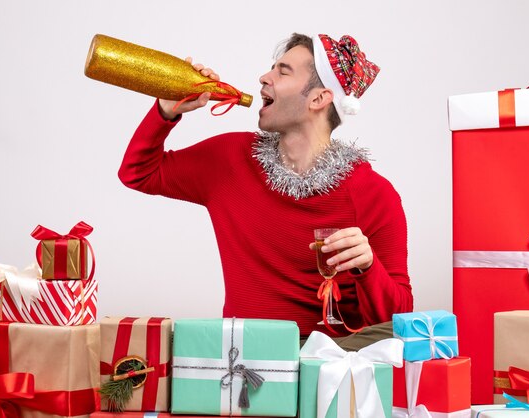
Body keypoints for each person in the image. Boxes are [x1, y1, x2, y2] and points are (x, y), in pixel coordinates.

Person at [118, 32, 413, 347]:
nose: (264, 77)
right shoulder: (231, 159)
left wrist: (368, 267)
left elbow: (396, 320)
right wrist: (166, 110)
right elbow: (139, 173)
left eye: (282, 71)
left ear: (318, 99)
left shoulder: (373, 194)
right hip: (244, 358)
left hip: (330, 364)